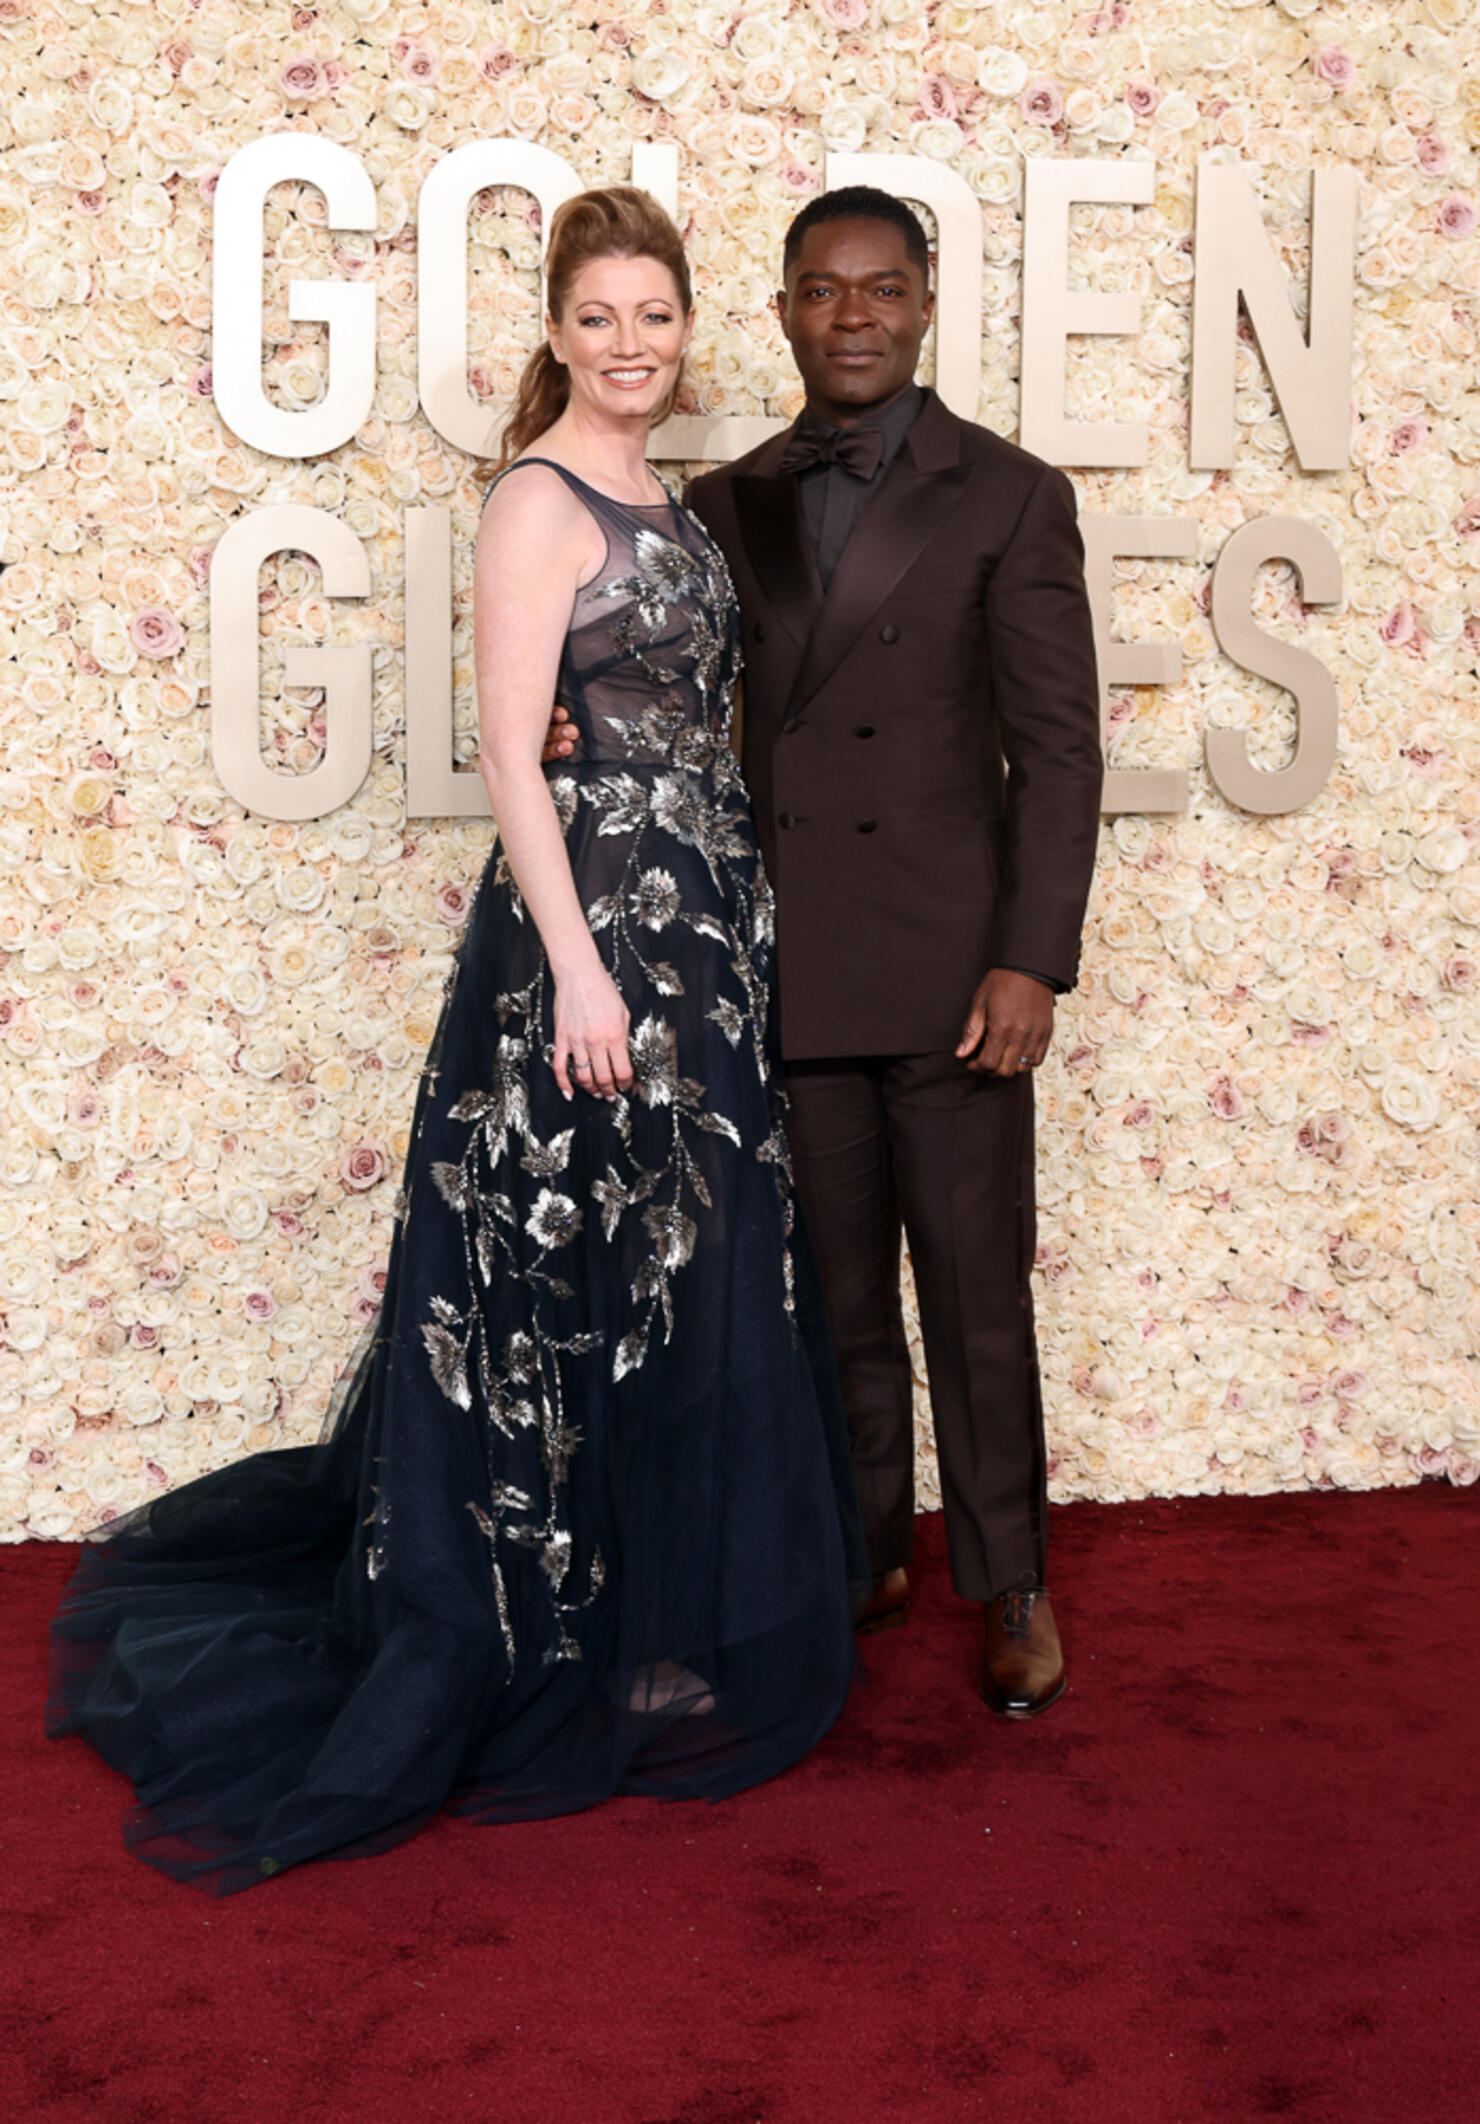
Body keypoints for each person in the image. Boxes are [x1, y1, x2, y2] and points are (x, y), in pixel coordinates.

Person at [47, 188, 867, 1896]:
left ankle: (657, 1620)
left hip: (705, 941)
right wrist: (577, 972)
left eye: (657, 317)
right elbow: (510, 754)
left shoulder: (673, 503)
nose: (631, 346)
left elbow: (672, 722)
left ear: (684, 325)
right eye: (601, 318)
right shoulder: (536, 503)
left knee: (688, 1279)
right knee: (571, 1289)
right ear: (556, 332)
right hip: (589, 957)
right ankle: (558, 1641)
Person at [547, 187, 1103, 1718]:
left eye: (880, 289)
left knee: (974, 1297)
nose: (850, 315)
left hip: (954, 977)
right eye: (819, 290)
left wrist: (1032, 962)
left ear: (925, 304)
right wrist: (568, 720)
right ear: (783, 311)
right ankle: (865, 1550)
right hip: (784, 968)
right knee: (834, 1294)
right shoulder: (725, 504)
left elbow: (1060, 755)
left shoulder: (1009, 494)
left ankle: (1011, 1583)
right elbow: (661, 683)